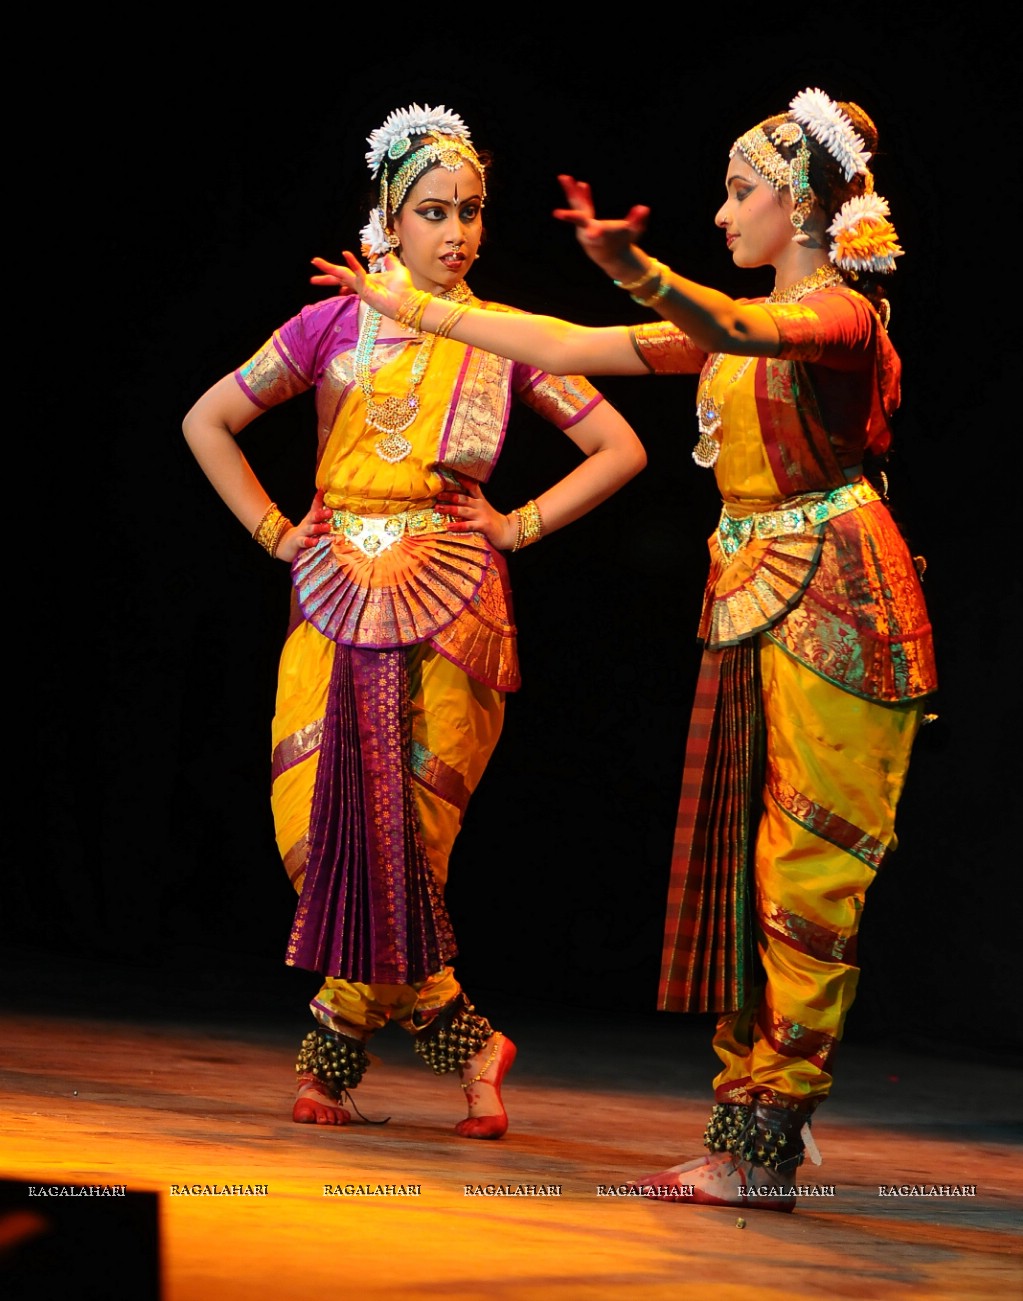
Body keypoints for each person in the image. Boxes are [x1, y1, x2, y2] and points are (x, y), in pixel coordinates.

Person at [316, 87, 937, 1204]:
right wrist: (416, 306)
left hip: (842, 599)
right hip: (754, 592)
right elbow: (568, 343)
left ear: (798, 208)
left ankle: (767, 1139)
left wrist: (633, 265)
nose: (723, 211)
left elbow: (743, 327)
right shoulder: (732, 321)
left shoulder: (840, 317)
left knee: (808, 872)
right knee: (746, 876)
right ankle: (746, 1132)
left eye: (742, 192)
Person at [182, 103, 646, 1138]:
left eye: (471, 211)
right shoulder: (330, 326)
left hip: (454, 604)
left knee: (408, 844)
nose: (458, 232)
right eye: (433, 210)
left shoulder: (500, 339)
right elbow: (205, 418)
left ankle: (338, 1050)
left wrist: (518, 524)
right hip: (334, 592)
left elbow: (620, 447)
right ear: (385, 221)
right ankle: (467, 1040)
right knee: (314, 826)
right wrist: (272, 528)